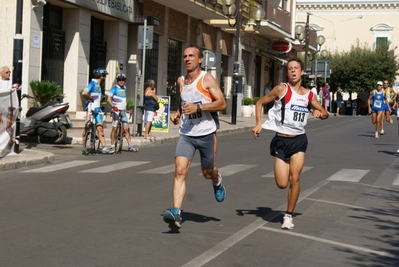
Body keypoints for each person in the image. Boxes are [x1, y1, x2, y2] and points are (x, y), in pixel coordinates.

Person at [252, 58, 329, 230]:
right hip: (281, 140)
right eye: (290, 69)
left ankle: (288, 215)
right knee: (282, 183)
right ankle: (288, 210)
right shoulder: (281, 89)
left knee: (295, 178)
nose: (293, 71)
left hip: (299, 140)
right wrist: (258, 123)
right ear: (287, 72)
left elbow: (325, 114)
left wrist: (319, 112)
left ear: (302, 72)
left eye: (296, 68)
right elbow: (259, 103)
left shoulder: (309, 95)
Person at [162, 45, 227, 230]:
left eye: (192, 56)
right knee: (180, 171)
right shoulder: (181, 80)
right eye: (185, 56)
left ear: (200, 60)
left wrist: (199, 108)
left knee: (207, 172)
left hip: (206, 132)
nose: (187, 59)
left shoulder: (206, 79)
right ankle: (176, 213)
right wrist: (177, 113)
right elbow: (184, 102)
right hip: (187, 133)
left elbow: (222, 103)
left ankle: (216, 179)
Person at [81, 68, 112, 154]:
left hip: (98, 109)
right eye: (104, 75)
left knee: (100, 128)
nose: (105, 77)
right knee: (87, 127)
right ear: (101, 76)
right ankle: (83, 145)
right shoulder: (93, 83)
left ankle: (104, 147)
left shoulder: (98, 85)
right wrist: (89, 97)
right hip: (91, 108)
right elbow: (84, 93)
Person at [107, 73, 138, 152]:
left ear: (125, 81)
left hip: (123, 111)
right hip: (116, 111)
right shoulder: (114, 89)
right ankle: (112, 146)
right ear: (117, 81)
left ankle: (130, 146)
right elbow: (108, 99)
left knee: (126, 129)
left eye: (123, 80)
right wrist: (113, 106)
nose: (121, 82)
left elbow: (123, 100)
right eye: (119, 80)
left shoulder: (124, 88)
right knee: (114, 129)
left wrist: (127, 108)